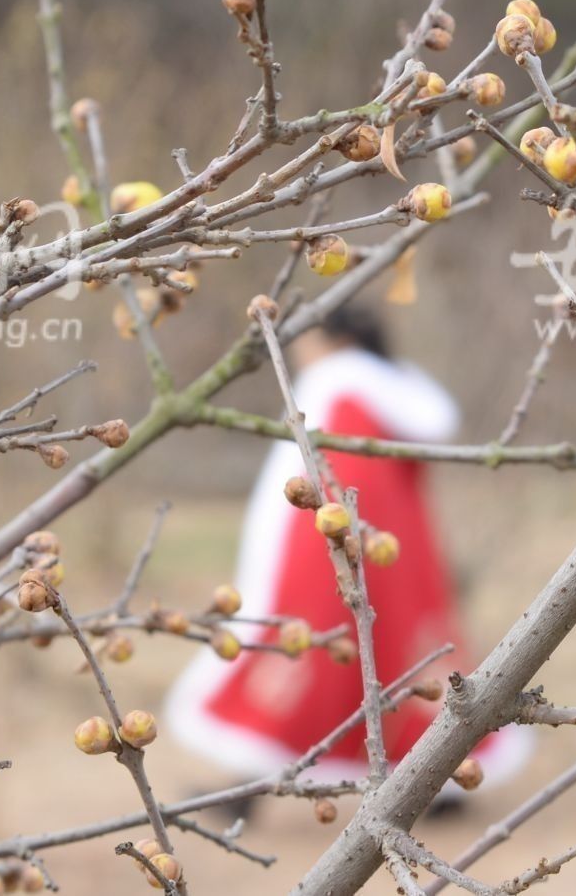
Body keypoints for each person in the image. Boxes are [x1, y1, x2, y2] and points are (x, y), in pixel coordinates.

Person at [166, 304, 529, 795]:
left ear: (332, 339)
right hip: (401, 558)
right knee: (406, 662)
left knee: (308, 657)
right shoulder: (398, 392)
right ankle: (436, 781)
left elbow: (305, 481)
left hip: (329, 554)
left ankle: (252, 784)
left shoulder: (334, 387)